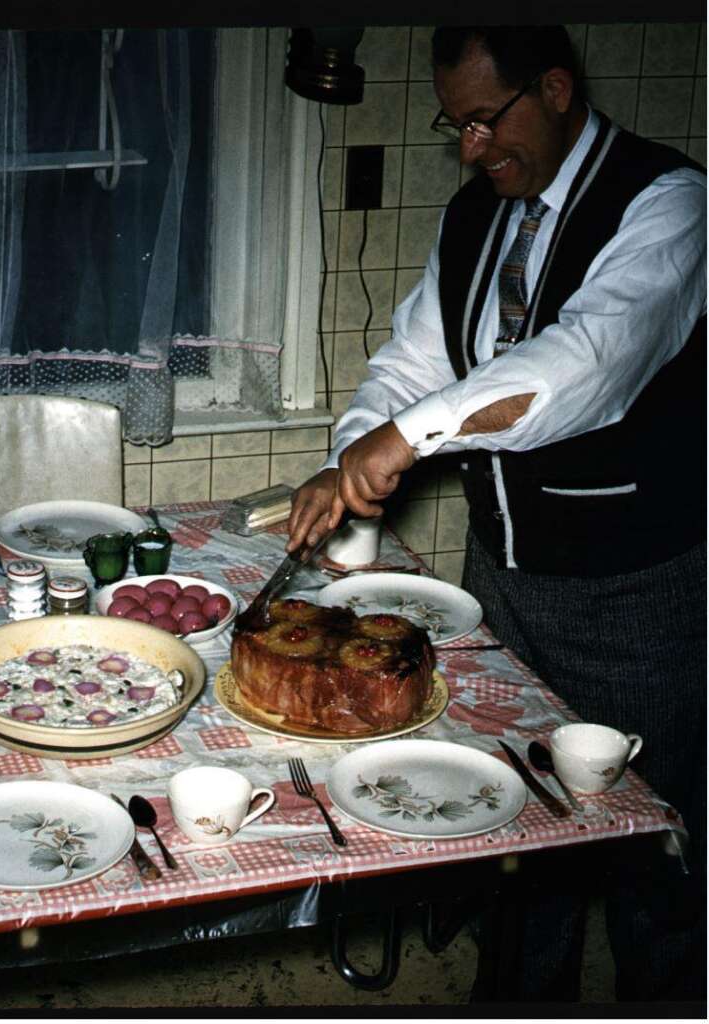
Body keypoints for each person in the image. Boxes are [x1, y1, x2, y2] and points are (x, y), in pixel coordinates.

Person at [287, 25, 706, 1003]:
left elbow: (581, 368)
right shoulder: (477, 213)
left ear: (554, 89)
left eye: (485, 120)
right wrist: (351, 450)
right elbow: (413, 361)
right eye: (455, 124)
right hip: (501, 584)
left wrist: (403, 442)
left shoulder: (669, 205)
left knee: (654, 840)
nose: (468, 148)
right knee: (514, 824)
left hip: (636, 587)